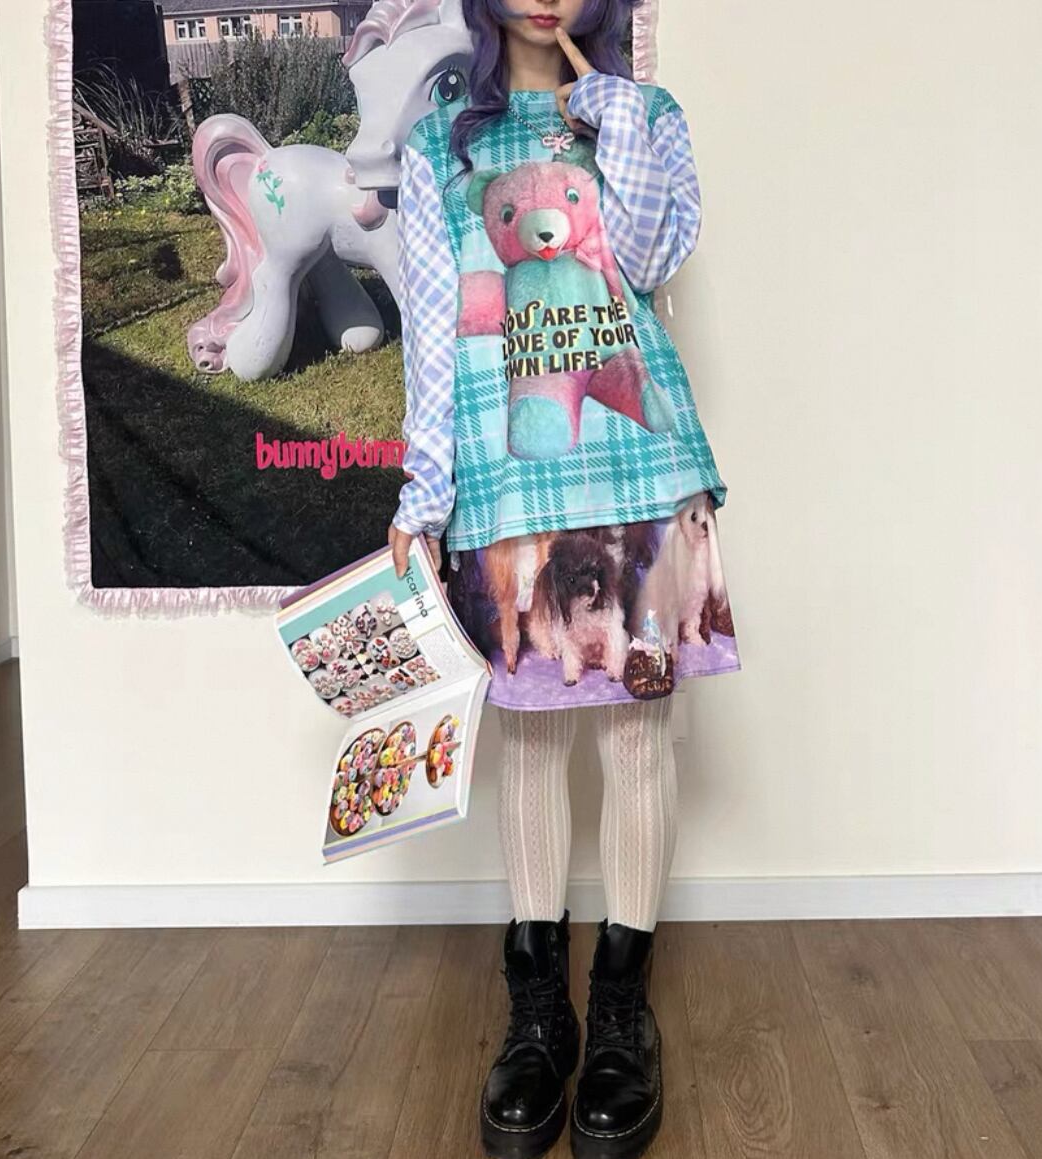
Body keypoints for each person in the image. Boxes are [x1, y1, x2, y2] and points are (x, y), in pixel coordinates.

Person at [388, 2, 740, 1156]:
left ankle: (623, 1013)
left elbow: (649, 258)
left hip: (640, 467)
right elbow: (433, 333)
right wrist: (423, 494)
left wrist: (614, 117)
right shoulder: (441, 139)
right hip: (511, 478)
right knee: (532, 747)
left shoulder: (645, 115)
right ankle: (539, 1016)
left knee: (637, 738)